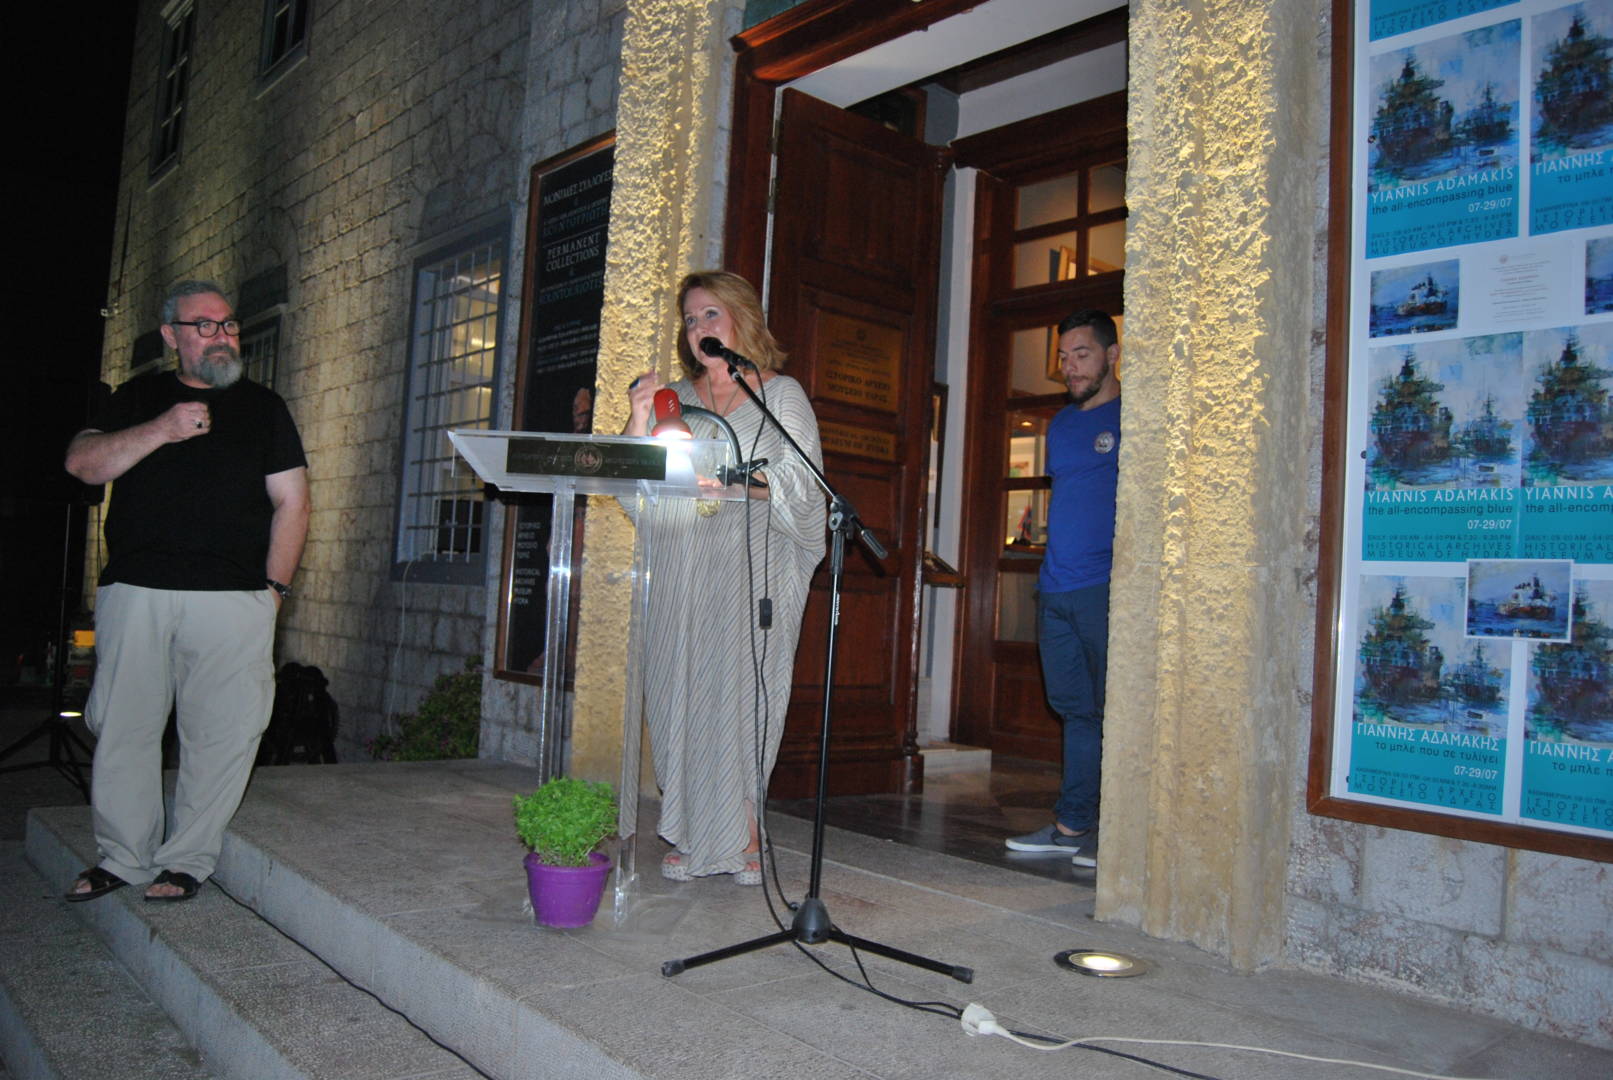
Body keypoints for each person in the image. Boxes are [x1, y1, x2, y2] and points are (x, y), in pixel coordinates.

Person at [62, 280, 310, 903]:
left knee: (223, 735)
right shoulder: (138, 397)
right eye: (205, 326)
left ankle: (187, 860)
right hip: (136, 591)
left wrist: (274, 591)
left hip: (234, 597)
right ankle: (124, 857)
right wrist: (162, 429)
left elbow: (293, 502)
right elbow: (83, 464)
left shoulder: (264, 408)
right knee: (125, 729)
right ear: (172, 335)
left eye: (229, 325)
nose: (222, 336)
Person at [621, 271, 826, 885]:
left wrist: (736, 483)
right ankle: (689, 827)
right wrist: (637, 415)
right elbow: (633, 487)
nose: (699, 328)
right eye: (690, 320)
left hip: (749, 571)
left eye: (711, 314)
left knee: (740, 694)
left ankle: (743, 829)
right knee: (678, 689)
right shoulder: (672, 400)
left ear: (741, 319)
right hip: (681, 569)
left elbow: (803, 485)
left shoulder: (779, 395)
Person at [1005, 309, 1121, 869]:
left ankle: (1116, 835)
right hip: (1055, 590)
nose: (1070, 367)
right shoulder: (1062, 425)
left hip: (1106, 589)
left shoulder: (1135, 417)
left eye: (1082, 354)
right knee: (1075, 711)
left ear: (1112, 355)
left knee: (1118, 711)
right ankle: (1072, 824)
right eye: (1064, 357)